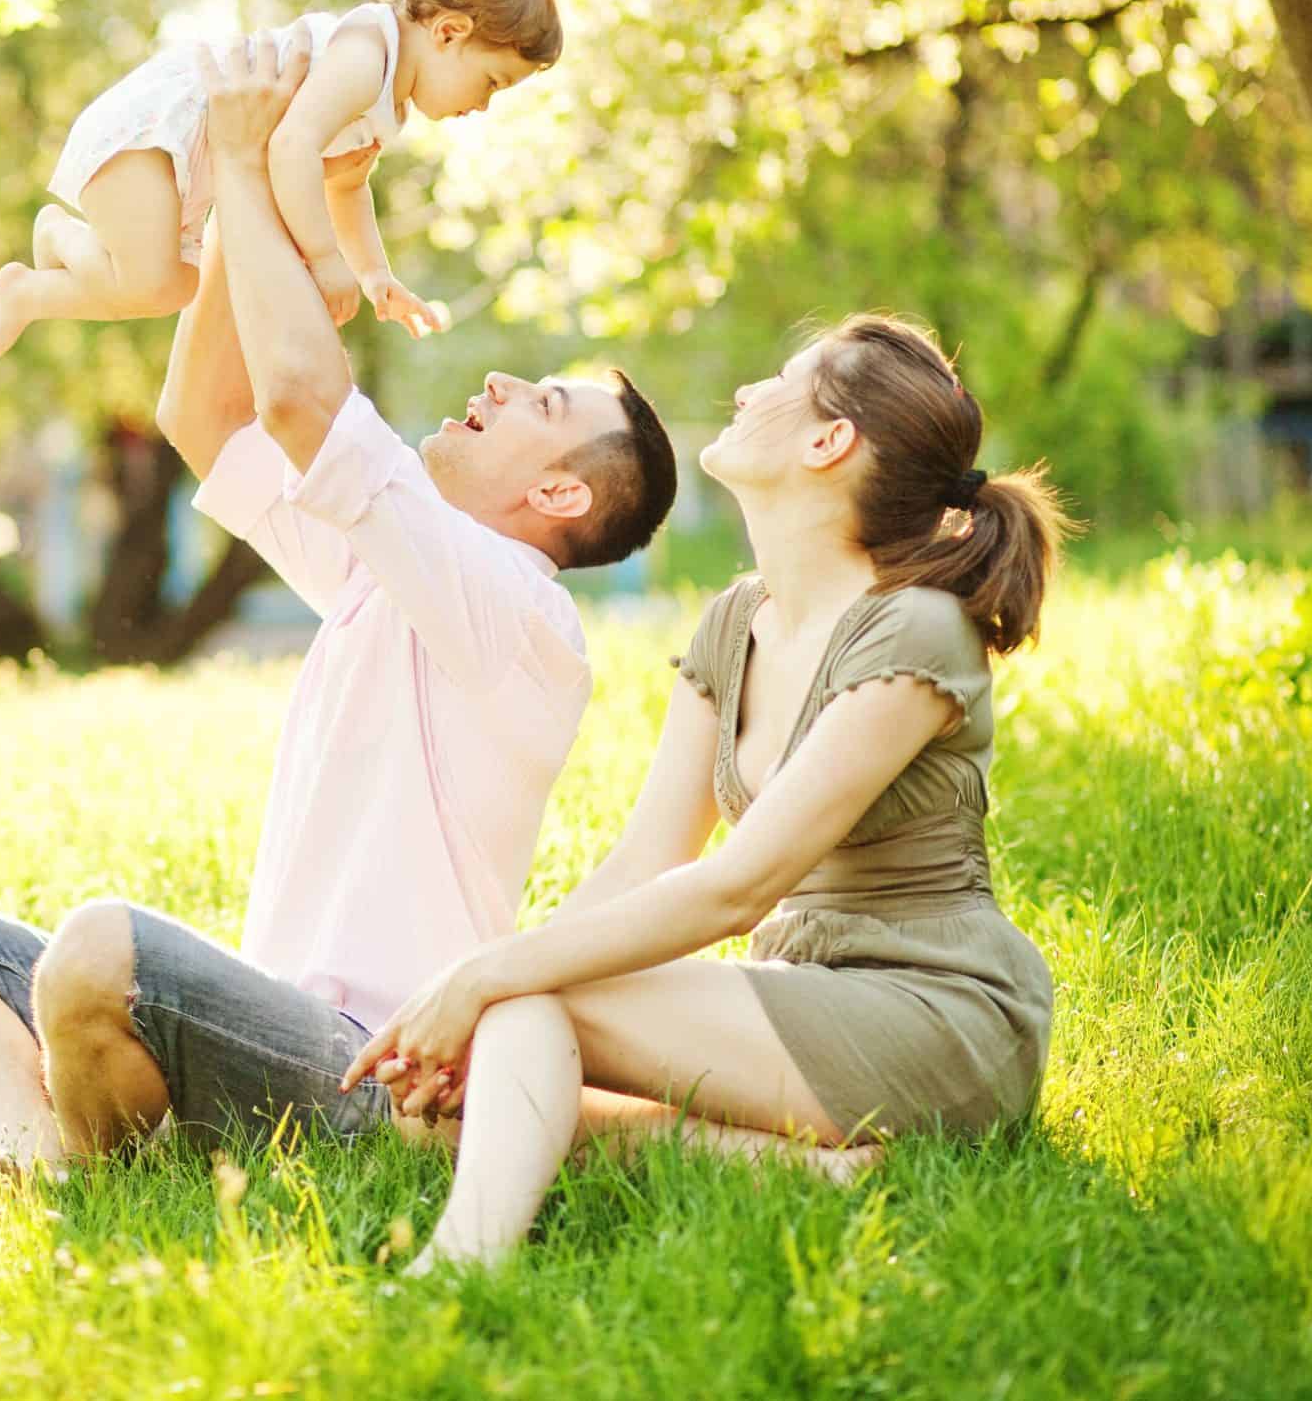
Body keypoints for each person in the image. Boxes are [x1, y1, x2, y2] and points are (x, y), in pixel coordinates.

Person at [0, 32, 676, 1190]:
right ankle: (44, 1177)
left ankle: (86, 1180)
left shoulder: (517, 616)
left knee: (101, 949)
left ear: (559, 492)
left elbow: (302, 396)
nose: (497, 384)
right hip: (257, 1032)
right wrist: (216, 196)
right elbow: (206, 414)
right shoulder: (383, 573)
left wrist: (257, 169)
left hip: (367, 1074)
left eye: (538, 400)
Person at [342, 314, 1071, 1272]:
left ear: (828, 441)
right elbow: (647, 861)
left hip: (933, 1013)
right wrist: (495, 984)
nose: (746, 394)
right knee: (464, 1104)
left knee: (524, 1018)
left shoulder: (918, 632)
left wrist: (485, 978)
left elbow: (738, 888)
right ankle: (803, 1170)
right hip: (801, 996)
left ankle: (461, 1270)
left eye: (778, 380)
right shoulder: (735, 623)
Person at [0, 0, 560, 373]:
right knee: (146, 283)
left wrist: (374, 273)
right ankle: (36, 275)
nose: (484, 106)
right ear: (449, 32)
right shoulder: (365, 50)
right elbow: (292, 147)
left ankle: (58, 251)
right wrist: (326, 260)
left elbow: (346, 185)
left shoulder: (388, 102)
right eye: (492, 82)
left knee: (172, 288)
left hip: (195, 167)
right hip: (165, 129)